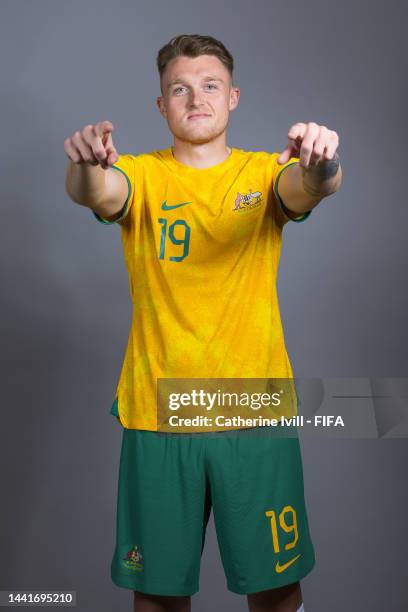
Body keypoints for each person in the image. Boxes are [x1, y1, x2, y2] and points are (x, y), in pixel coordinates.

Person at [64, 33, 342, 612]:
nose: (196, 98)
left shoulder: (266, 173)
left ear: (233, 97)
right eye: (179, 89)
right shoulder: (139, 175)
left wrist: (322, 163)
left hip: (252, 409)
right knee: (158, 595)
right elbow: (98, 191)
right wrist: (88, 167)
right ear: (161, 106)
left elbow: (308, 186)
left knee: (275, 589)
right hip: (159, 410)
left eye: (210, 85)